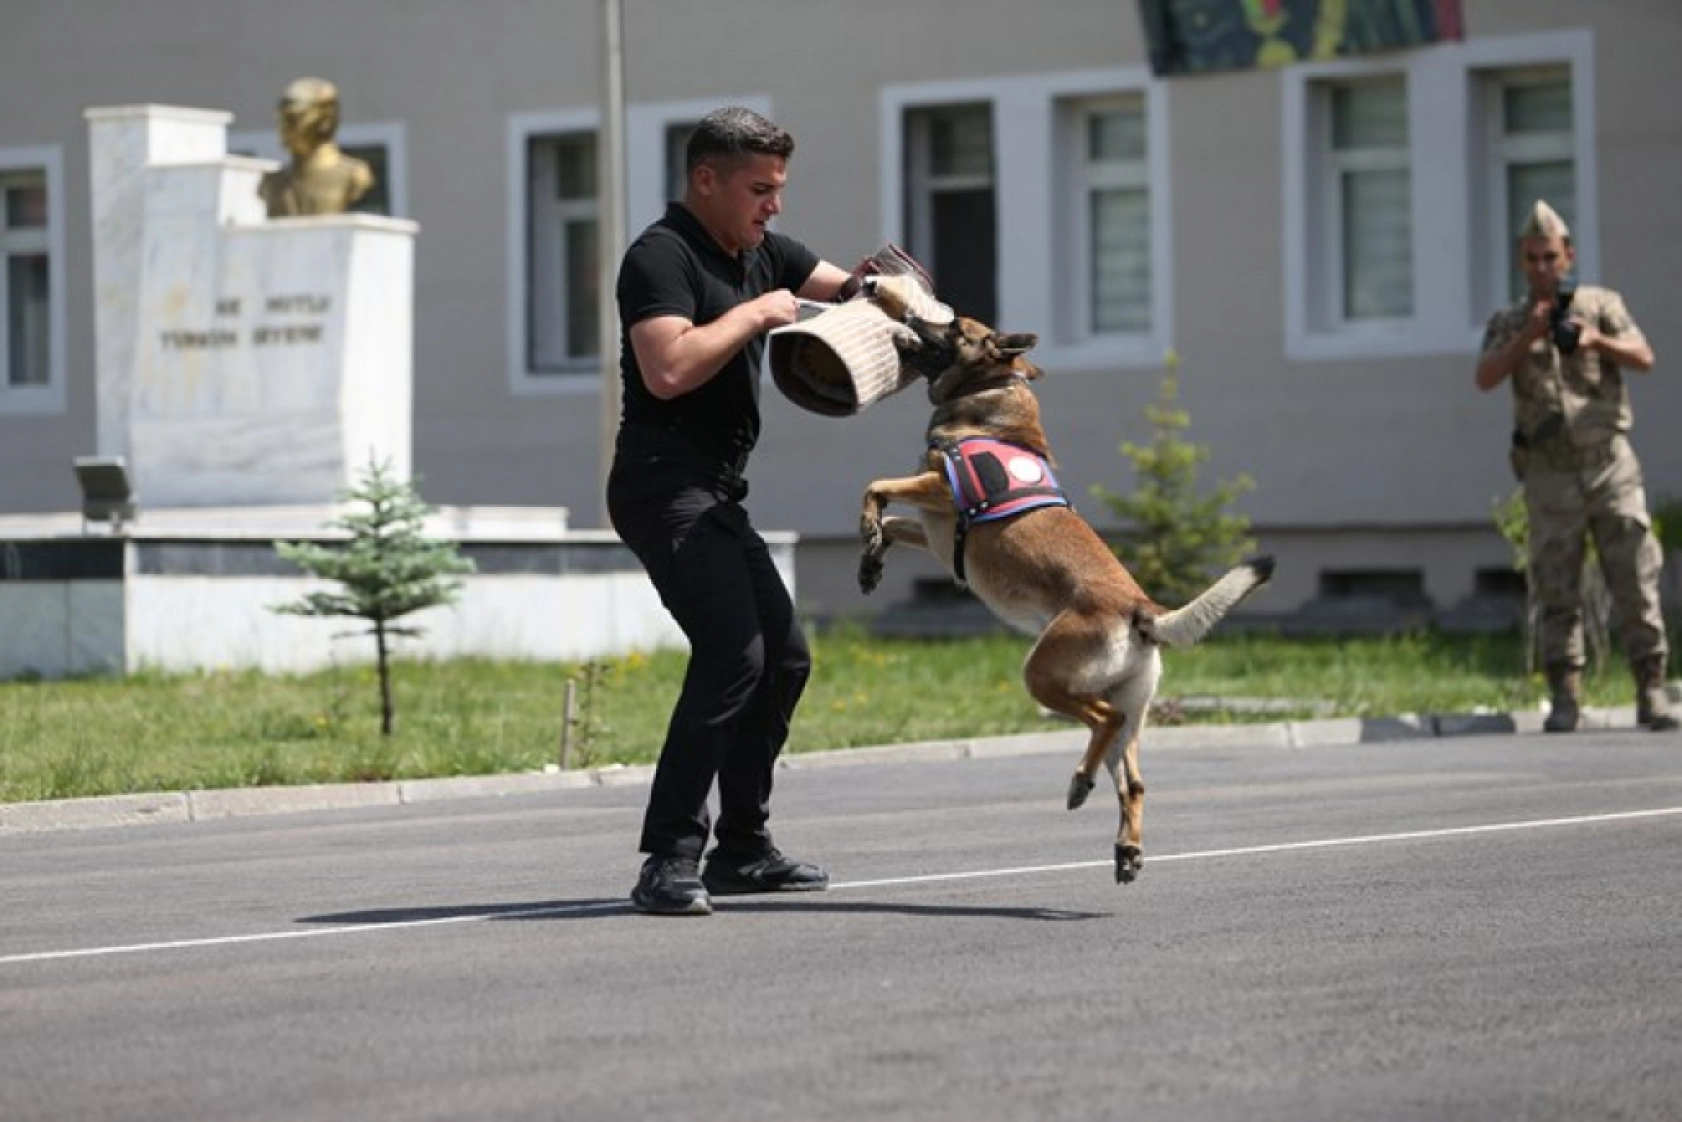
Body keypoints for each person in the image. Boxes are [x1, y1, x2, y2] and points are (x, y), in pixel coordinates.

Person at [607, 107, 854, 915]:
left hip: (716, 491)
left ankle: (742, 850)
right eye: (759, 190)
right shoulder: (661, 256)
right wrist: (752, 313)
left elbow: (848, 290)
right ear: (706, 179)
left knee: (782, 659)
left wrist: (900, 299)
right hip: (661, 486)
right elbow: (667, 369)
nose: (773, 206)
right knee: (733, 654)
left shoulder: (764, 250)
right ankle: (668, 858)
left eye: (779, 189)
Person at [1474, 199, 1677, 733]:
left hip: (1609, 464)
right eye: (1533, 258)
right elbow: (1485, 377)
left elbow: (1645, 356)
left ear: (1569, 256)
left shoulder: (1601, 305)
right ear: (1522, 261)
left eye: (1551, 257)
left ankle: (1651, 689)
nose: (1543, 267)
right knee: (1556, 583)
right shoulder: (1510, 321)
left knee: (1635, 575)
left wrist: (1595, 338)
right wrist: (1528, 336)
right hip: (1550, 471)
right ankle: (1565, 696)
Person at [258, 77, 375, 217]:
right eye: (281, 120)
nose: (284, 129)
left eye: (293, 119)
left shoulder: (354, 175)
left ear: (325, 120)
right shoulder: (272, 183)